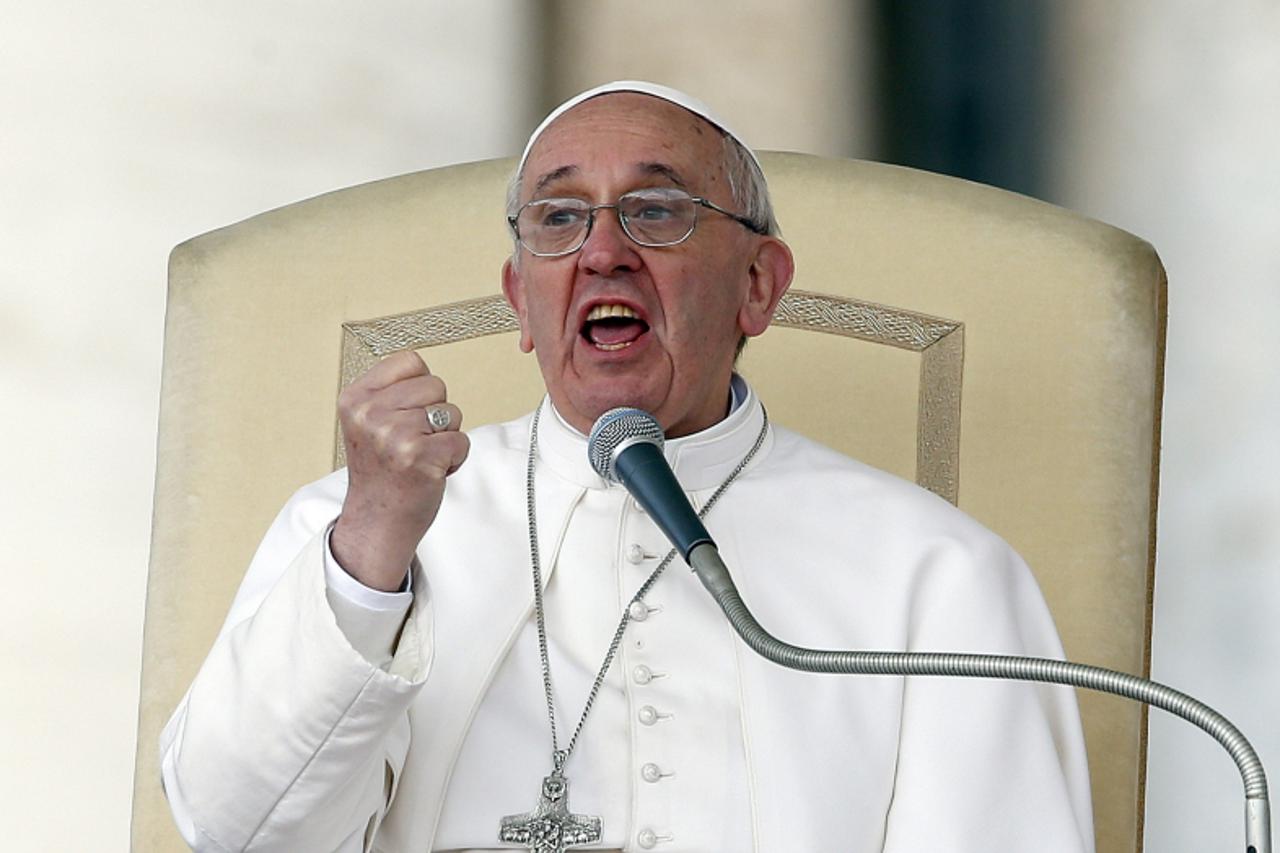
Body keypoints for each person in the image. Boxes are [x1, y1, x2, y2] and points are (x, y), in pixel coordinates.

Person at [160, 81, 1094, 852]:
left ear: (760, 285)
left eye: (655, 211)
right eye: (559, 218)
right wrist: (371, 549)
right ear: (522, 301)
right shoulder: (357, 532)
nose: (604, 252)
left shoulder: (936, 574)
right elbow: (237, 834)